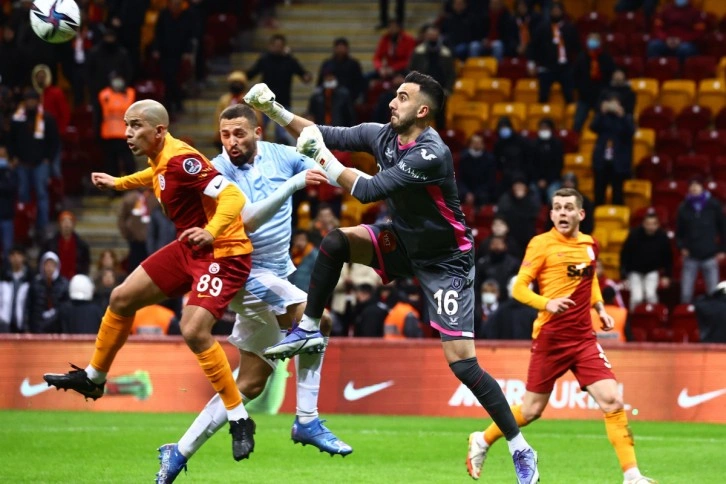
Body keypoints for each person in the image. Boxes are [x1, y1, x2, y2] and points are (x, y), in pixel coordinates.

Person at [244, 72, 539, 483]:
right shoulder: (381, 134)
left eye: (402, 97)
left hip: (446, 260)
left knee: (463, 364)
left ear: (422, 110)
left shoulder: (431, 153)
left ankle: (519, 447)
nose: (392, 103)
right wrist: (272, 109)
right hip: (402, 240)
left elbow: (368, 191)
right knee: (336, 241)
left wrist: (323, 160)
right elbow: (322, 132)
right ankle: (308, 327)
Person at [43, 99, 258, 463]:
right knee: (121, 298)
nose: (127, 133)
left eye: (136, 126)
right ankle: (94, 377)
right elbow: (154, 176)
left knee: (193, 329)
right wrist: (118, 183)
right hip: (190, 248)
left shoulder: (181, 160)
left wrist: (211, 231)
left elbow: (233, 195)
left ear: (159, 131)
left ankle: (239, 418)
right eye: (126, 125)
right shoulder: (160, 158)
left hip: (223, 252)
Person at [155, 104, 350, 484]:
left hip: (276, 273)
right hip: (240, 271)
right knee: (318, 320)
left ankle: (177, 451)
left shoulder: (281, 155)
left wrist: (365, 180)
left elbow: (325, 164)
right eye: (225, 135)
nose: (231, 142)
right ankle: (307, 420)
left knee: (250, 383)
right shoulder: (214, 171)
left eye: (239, 133)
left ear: (257, 132)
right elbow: (247, 219)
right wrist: (294, 184)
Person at [466, 188, 655, 484]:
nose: (562, 212)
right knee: (531, 410)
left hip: (583, 339)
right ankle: (482, 439)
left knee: (613, 401)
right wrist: (547, 303)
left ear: (581, 214)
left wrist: (599, 307)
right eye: (557, 208)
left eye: (568, 207)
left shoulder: (590, 244)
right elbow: (519, 288)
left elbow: (590, 278)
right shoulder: (541, 244)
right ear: (552, 214)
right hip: (551, 338)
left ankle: (632, 476)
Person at [676, 177, 726, 304]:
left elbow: (723, 228)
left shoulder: (713, 205)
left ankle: (713, 316)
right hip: (691, 256)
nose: (694, 188)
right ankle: (685, 314)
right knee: (686, 294)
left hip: (709, 255)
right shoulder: (683, 207)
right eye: (691, 185)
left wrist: (722, 249)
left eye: (697, 185)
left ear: (702, 187)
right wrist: (681, 247)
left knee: (713, 294)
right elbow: (679, 232)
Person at [620, 209, 672, 310]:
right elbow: (625, 254)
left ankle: (654, 315)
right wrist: (623, 275)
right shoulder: (634, 235)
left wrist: (667, 275)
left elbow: (668, 257)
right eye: (648, 224)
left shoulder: (662, 237)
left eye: (654, 224)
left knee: (651, 295)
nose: (651, 227)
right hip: (635, 271)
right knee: (636, 298)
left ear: (658, 225)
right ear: (643, 224)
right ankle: (634, 317)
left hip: (652, 271)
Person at [590, 93, 635, 206]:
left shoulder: (626, 117)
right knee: (599, 194)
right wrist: (601, 112)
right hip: (602, 161)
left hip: (618, 163)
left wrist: (622, 115)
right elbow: (593, 127)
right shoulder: (604, 117)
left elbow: (631, 131)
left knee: (618, 195)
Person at [42, 210, 91, 280]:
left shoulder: (82, 245)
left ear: (73, 224)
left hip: (75, 279)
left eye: (69, 222)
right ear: (59, 224)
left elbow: (85, 264)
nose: (66, 225)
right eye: (64, 222)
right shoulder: (50, 244)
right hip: (55, 280)